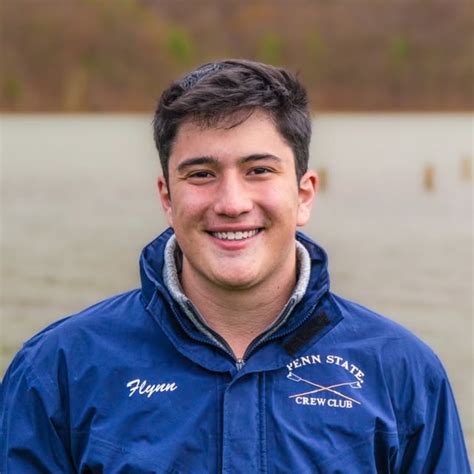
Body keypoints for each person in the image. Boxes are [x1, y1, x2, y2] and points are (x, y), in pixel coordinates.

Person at [0, 59, 470, 473]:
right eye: (201, 174)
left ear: (304, 194)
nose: (231, 202)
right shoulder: (57, 371)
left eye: (259, 170)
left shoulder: (402, 373)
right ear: (167, 197)